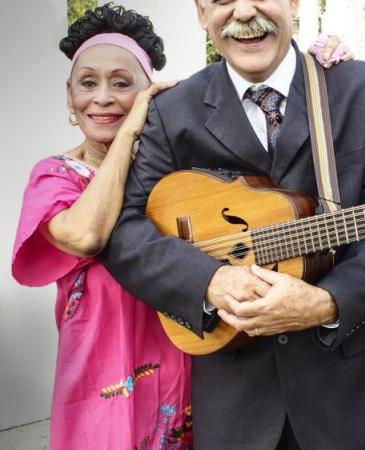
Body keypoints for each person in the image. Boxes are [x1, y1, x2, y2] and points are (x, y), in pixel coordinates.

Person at [98, 0, 365, 448]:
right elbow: (126, 232)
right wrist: (210, 280)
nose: (244, 12)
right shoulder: (174, 110)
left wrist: (327, 303)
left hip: (348, 385)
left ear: (293, 3)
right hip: (233, 393)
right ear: (200, 11)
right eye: (223, 0)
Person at [11, 4, 190, 449]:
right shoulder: (55, 176)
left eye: (123, 83)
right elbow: (87, 235)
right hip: (97, 375)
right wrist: (129, 133)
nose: (103, 97)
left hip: (179, 366)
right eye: (87, 83)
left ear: (150, 92)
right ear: (69, 95)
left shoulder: (178, 175)